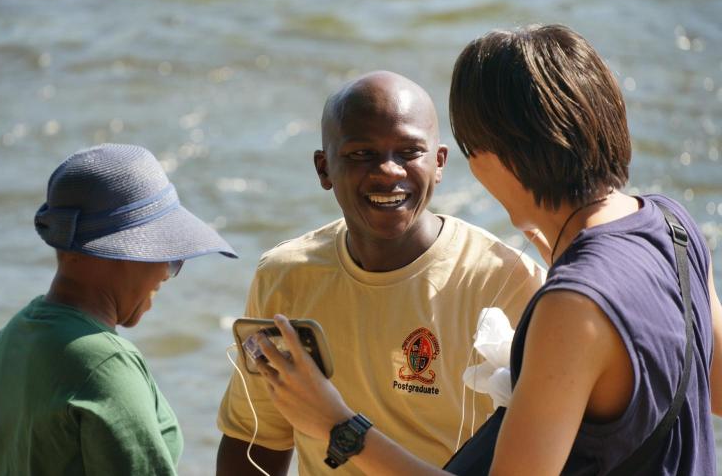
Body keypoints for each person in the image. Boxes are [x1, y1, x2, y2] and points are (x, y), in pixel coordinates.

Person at [254, 25, 722, 475]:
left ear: (493, 156)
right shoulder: (673, 225)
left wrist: (338, 425)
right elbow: (714, 391)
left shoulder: (572, 302)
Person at [216, 71, 546, 475]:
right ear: (324, 169)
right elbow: (255, 443)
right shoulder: (285, 278)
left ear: (439, 163)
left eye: (409, 151)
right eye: (361, 154)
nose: (389, 171)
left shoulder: (507, 281)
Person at [0, 143, 237, 476]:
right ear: (120, 252)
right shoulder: (106, 367)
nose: (167, 275)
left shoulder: (10, 340)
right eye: (169, 257)